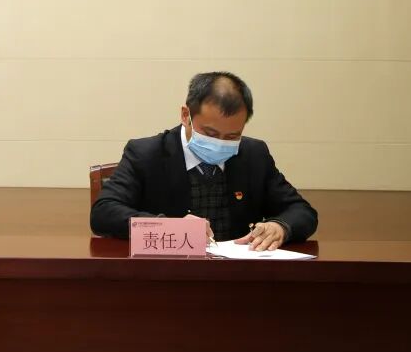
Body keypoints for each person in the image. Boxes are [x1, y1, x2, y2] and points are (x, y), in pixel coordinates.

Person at [90, 71, 316, 250]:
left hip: (238, 275)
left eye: (232, 136)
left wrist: (281, 227)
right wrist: (169, 226)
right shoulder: (146, 154)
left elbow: (301, 211)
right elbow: (103, 213)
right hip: (168, 274)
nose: (220, 143)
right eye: (210, 133)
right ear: (185, 115)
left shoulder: (253, 154)